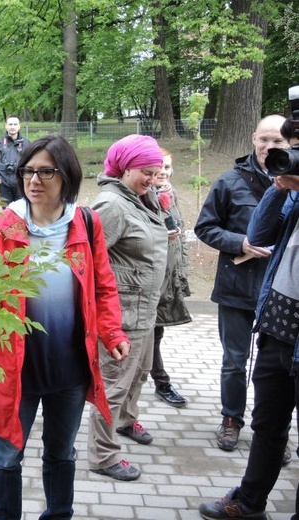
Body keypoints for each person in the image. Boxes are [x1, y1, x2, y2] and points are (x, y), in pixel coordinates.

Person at [0, 135, 130, 519]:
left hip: (70, 368)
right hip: (16, 367)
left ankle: (59, 514)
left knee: (62, 453)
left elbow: (103, 285)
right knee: (7, 455)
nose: (34, 180)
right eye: (28, 170)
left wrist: (112, 333)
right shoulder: (3, 226)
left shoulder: (86, 223)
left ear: (67, 176)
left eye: (46, 171)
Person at [198, 116, 299, 520]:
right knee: (267, 423)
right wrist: (279, 188)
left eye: (287, 144)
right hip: (276, 324)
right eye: (277, 143)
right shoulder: (251, 183)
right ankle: (249, 501)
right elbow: (256, 234)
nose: (282, 152)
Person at [87, 134, 168, 481]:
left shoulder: (140, 199)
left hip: (145, 311)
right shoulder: (112, 205)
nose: (151, 179)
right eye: (145, 172)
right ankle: (102, 456)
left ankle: (125, 421)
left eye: (156, 172)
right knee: (113, 385)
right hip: (122, 314)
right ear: (123, 167)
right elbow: (88, 261)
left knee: (141, 372)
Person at [150, 148, 191, 407]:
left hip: (169, 274)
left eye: (167, 167)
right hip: (149, 278)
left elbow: (181, 234)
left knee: (157, 331)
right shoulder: (142, 197)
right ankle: (161, 382)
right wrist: (158, 237)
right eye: (158, 167)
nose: (163, 172)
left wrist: (182, 272)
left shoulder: (170, 194)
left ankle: (159, 380)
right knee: (151, 333)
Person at [0, 115, 30, 204]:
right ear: (6, 126)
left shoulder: (26, 143)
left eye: (15, 124)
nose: (12, 127)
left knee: (20, 211)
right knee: (6, 212)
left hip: (20, 183)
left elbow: (32, 163)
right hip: (4, 184)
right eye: (10, 124)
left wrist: (27, 177)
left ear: (19, 126)